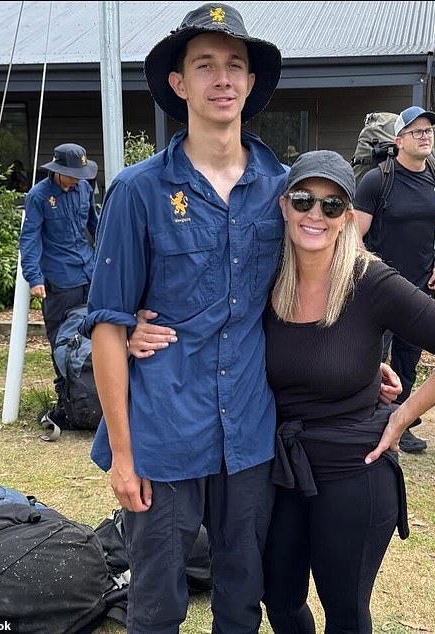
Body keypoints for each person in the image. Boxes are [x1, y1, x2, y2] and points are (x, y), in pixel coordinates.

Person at [84, 5, 287, 633]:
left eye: (235, 66)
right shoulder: (139, 191)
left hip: (250, 431)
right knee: (157, 601)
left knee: (240, 597)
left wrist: (369, 361)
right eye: (205, 66)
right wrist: (122, 453)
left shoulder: (284, 189)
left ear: (251, 83)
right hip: (164, 431)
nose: (222, 79)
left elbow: (319, 291)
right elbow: (108, 327)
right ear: (179, 84)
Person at [260, 150, 435, 633]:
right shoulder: (265, 278)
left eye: (331, 205)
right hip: (281, 469)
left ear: (349, 217)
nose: (314, 215)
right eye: (304, 200)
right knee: (278, 599)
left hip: (353, 472)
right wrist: (135, 325)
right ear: (285, 206)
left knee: (344, 611)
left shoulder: (370, 281)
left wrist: (404, 414)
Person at [353, 105, 435, 453]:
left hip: (420, 289)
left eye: (429, 130)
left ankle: (401, 422)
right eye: (416, 131)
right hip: (380, 290)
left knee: (408, 360)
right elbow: (354, 234)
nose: (425, 136)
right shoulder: (377, 180)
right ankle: (368, 421)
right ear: (398, 140)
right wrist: (369, 273)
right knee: (373, 359)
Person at [19, 143, 98, 428]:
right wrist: (34, 277)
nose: (77, 178)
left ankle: (97, 396)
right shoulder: (38, 196)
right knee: (62, 342)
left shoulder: (85, 190)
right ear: (58, 172)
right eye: (72, 174)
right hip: (60, 281)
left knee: (97, 336)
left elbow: (95, 225)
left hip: (89, 273)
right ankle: (67, 401)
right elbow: (30, 238)